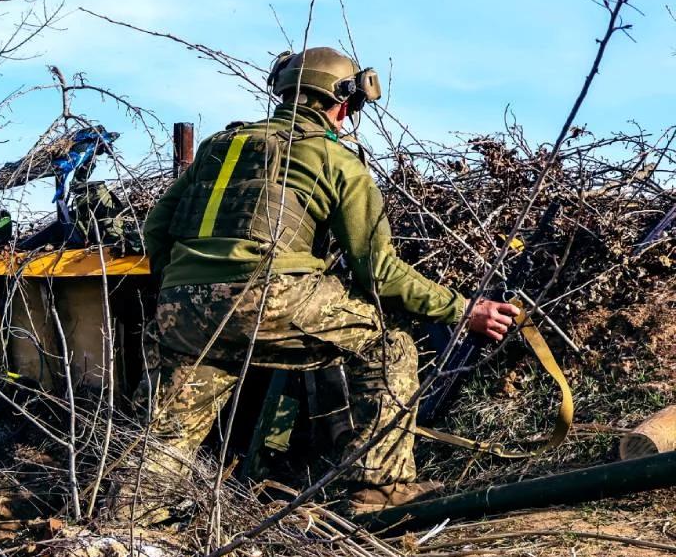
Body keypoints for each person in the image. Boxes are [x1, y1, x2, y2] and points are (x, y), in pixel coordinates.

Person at [138, 47, 517, 513]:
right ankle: (380, 490)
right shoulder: (339, 162)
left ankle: (128, 525)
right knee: (387, 346)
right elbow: (379, 273)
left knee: (168, 429)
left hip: (183, 306)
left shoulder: (221, 145)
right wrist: (463, 309)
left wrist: (187, 287)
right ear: (343, 103)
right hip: (274, 297)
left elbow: (155, 230)